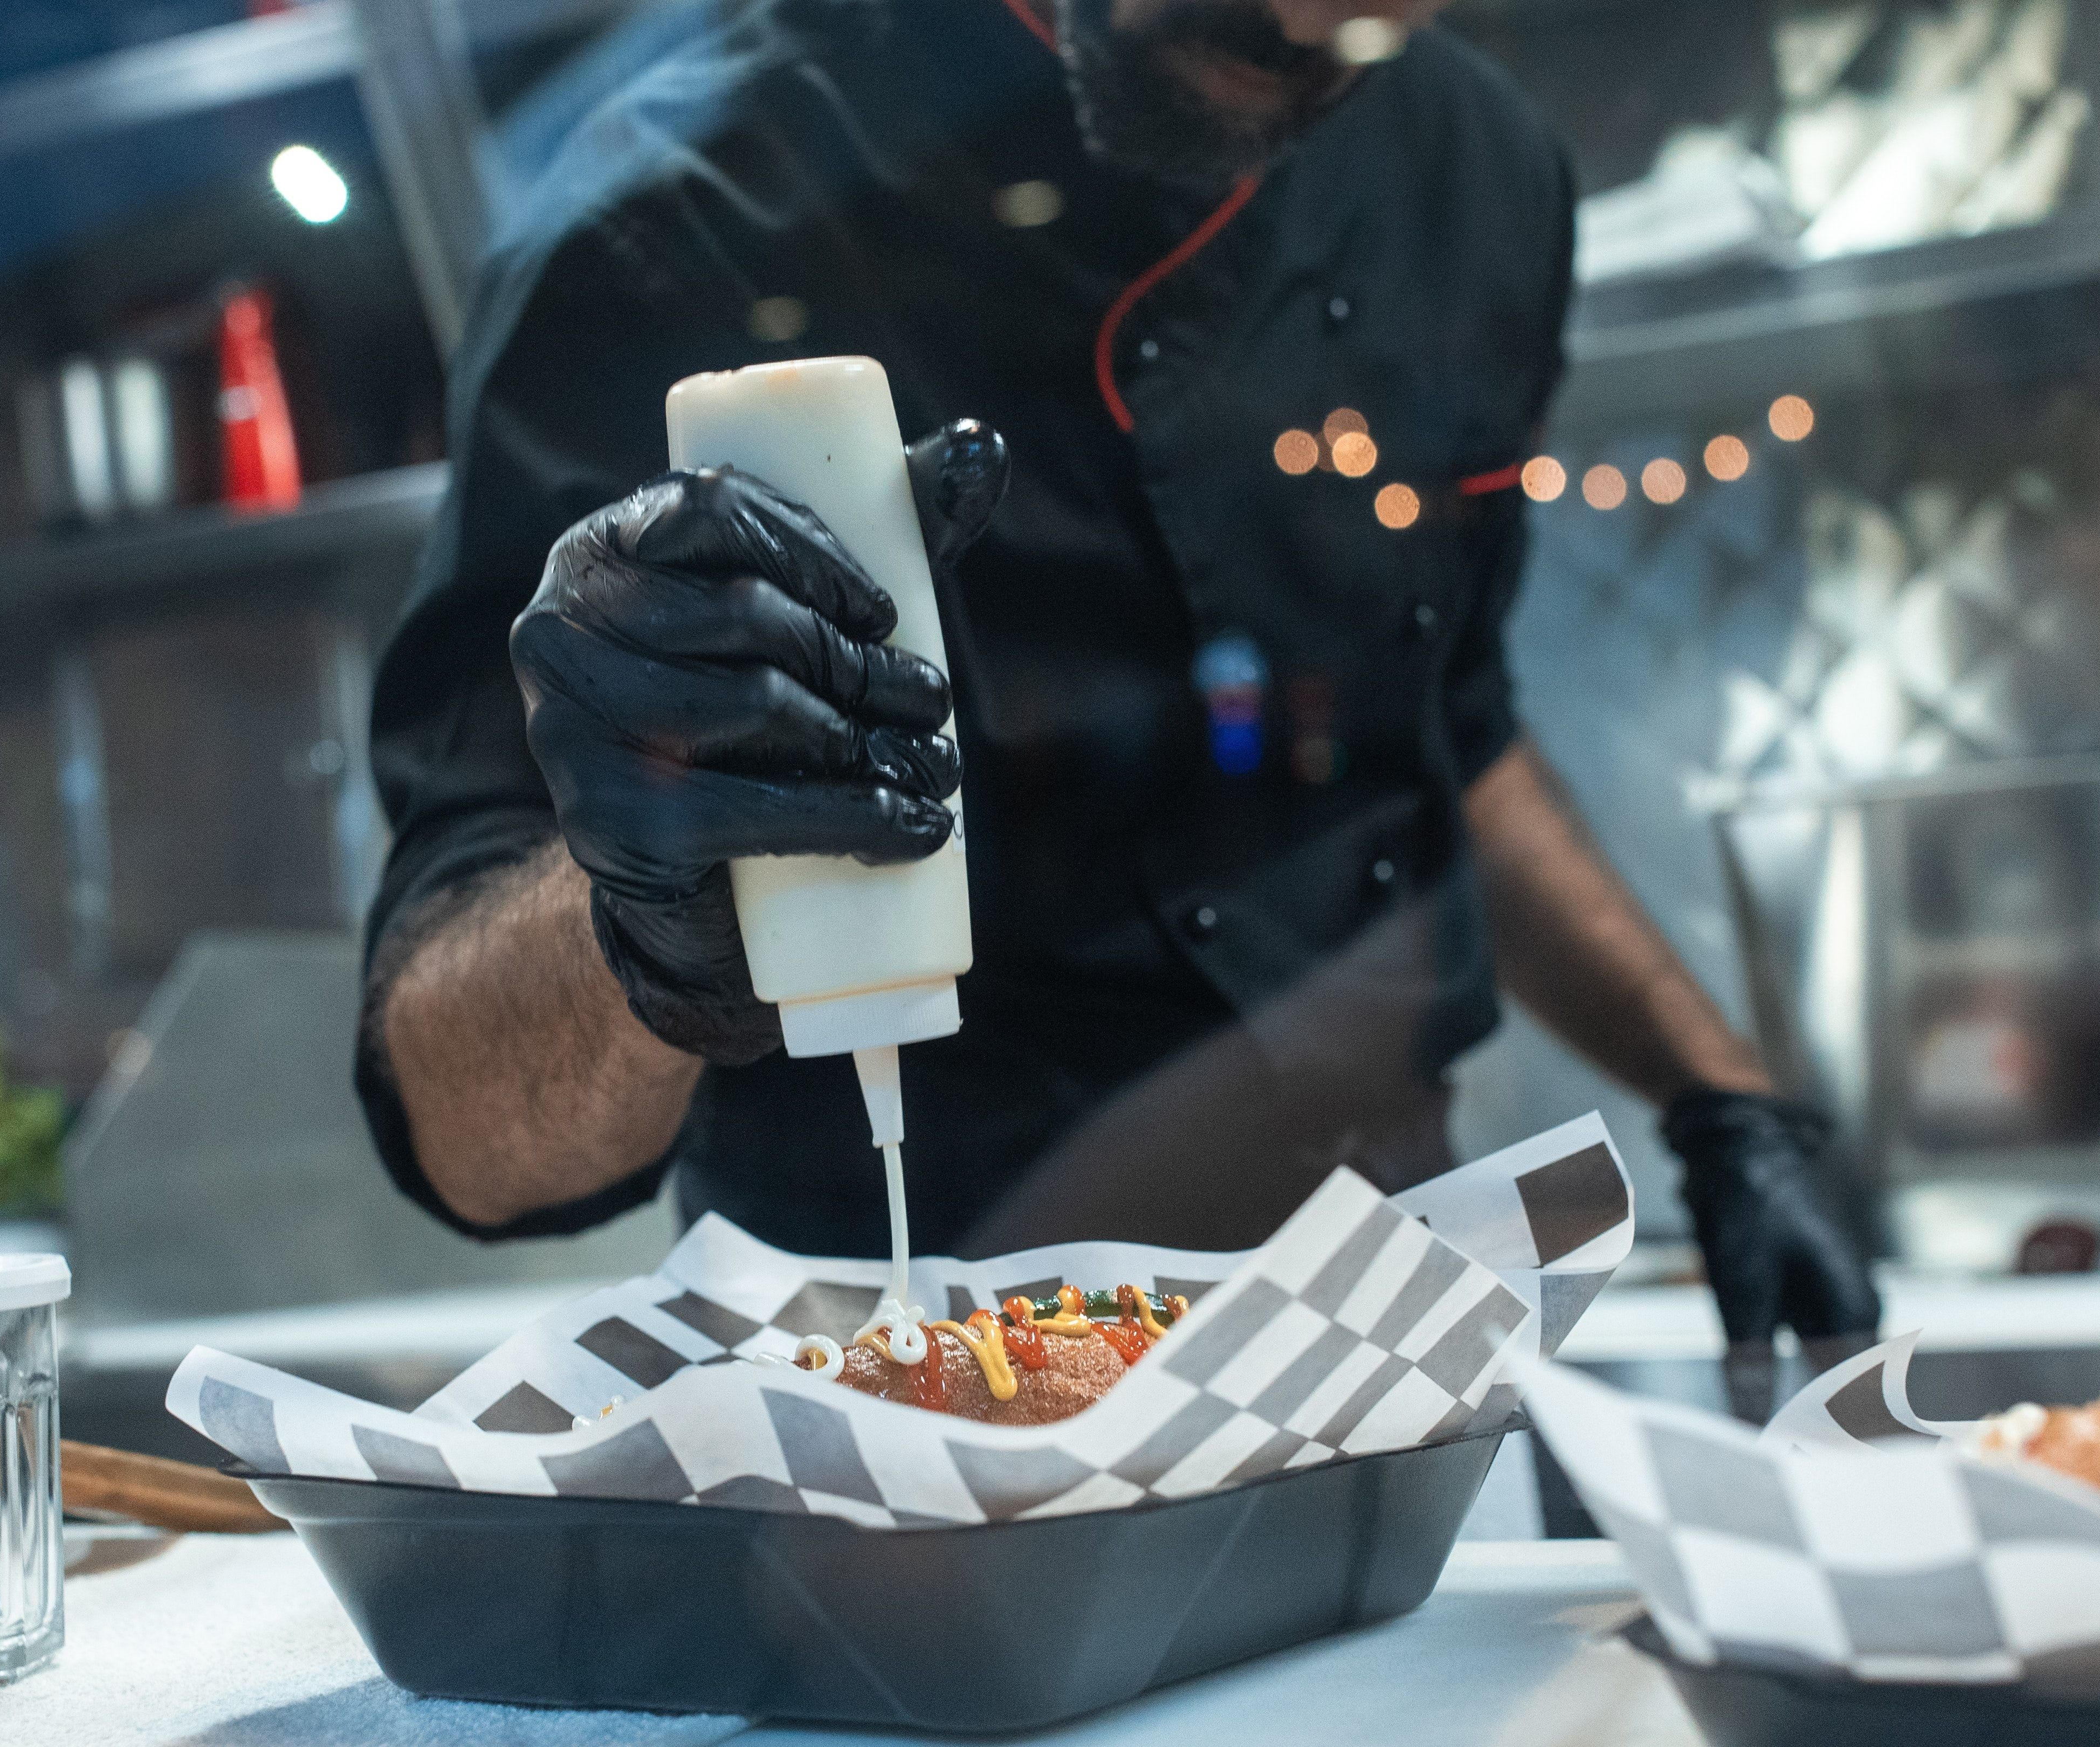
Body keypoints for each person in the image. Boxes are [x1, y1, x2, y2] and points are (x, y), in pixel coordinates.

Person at [352, 0, 1880, 1359]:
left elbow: (1448, 729)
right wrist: (641, 919)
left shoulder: (1475, 170)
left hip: (1404, 1336)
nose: (1310, 24)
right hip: (905, 1389)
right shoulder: (671, 228)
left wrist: (1723, 1100)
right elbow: (462, 1134)